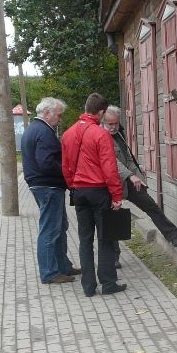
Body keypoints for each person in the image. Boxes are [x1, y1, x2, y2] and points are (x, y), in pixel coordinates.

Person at [101, 106, 177, 270]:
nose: (113, 127)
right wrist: (130, 175)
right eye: (110, 124)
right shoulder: (100, 136)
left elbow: (126, 158)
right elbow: (111, 161)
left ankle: (172, 235)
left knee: (150, 205)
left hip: (129, 180)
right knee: (112, 218)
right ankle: (114, 257)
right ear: (103, 122)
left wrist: (137, 174)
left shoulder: (119, 134)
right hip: (110, 183)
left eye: (116, 123)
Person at [61, 93, 126, 297]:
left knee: (84, 239)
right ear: (100, 112)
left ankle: (88, 286)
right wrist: (117, 196)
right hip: (99, 191)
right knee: (106, 237)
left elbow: (65, 167)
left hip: (78, 192)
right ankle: (108, 283)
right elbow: (110, 168)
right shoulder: (100, 134)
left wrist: (73, 185)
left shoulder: (68, 133)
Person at [21, 97, 79, 284]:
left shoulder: (34, 129)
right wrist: (68, 169)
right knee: (50, 229)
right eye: (58, 115)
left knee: (60, 226)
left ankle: (63, 267)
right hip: (48, 185)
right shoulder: (44, 132)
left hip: (42, 184)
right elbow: (46, 163)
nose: (60, 120)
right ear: (47, 113)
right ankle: (49, 272)